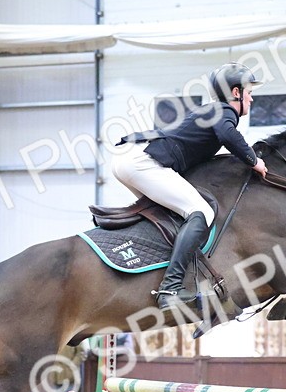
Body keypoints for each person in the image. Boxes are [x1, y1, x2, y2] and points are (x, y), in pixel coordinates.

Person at [111, 62, 268, 310]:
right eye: (249, 92)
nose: (251, 98)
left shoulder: (209, 111)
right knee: (202, 212)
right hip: (142, 161)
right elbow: (229, 136)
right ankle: (169, 290)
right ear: (236, 92)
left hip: (129, 158)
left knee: (170, 216)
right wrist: (254, 160)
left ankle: (146, 268)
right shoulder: (224, 110)